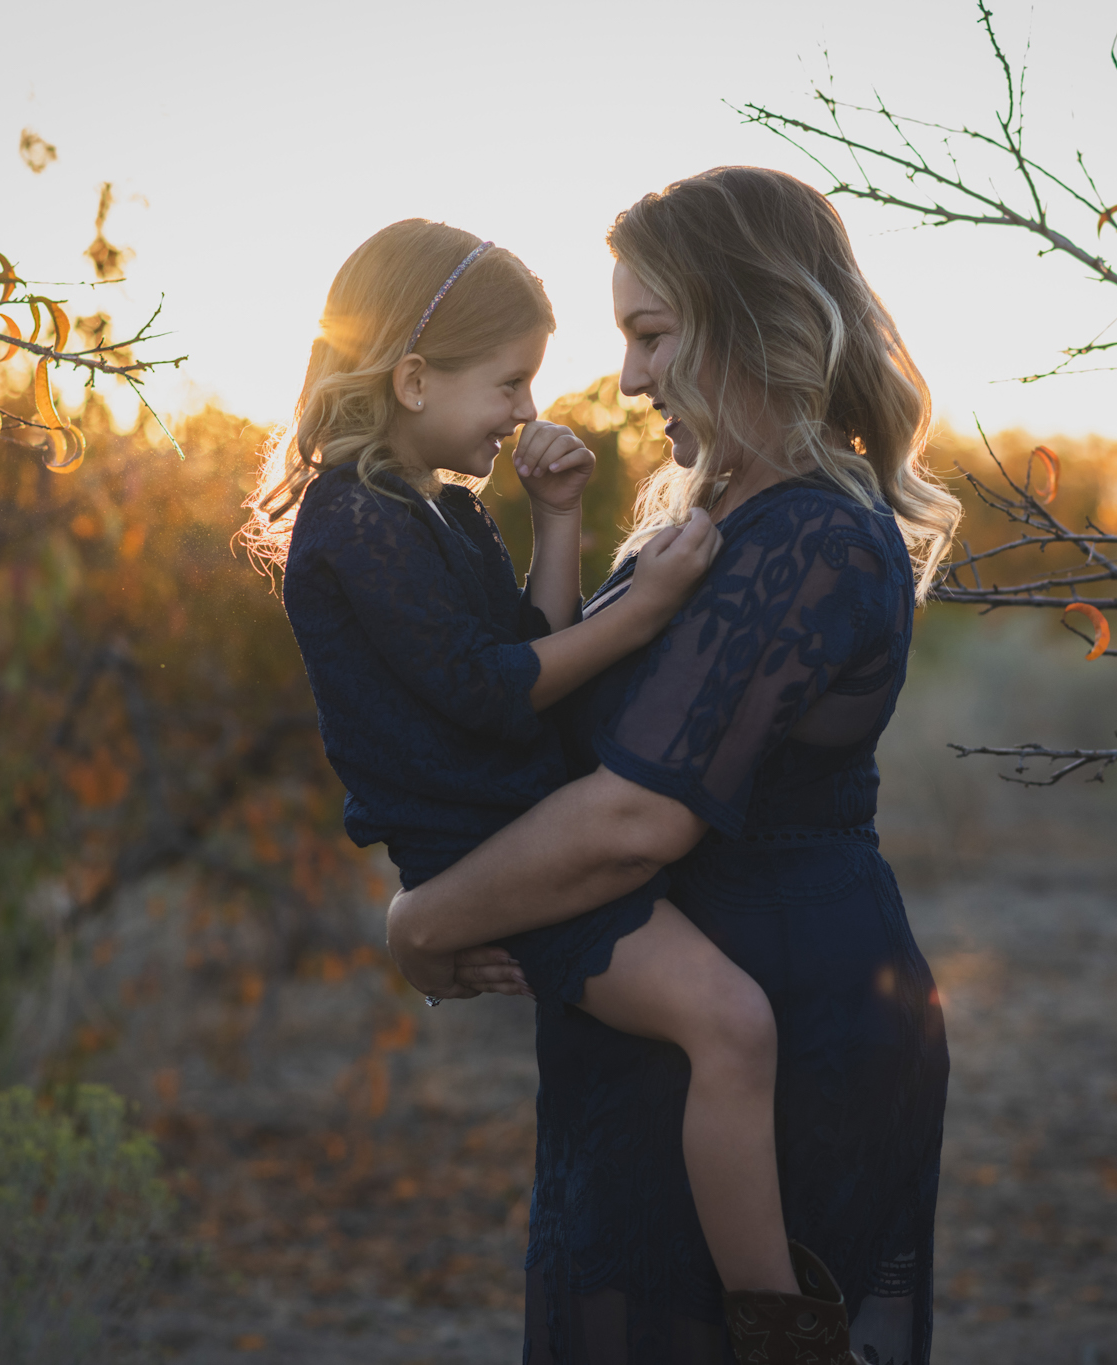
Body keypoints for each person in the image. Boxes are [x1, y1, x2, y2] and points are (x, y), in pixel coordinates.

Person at [385, 168, 963, 1365]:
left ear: (752, 317)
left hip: (785, 1029)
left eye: (651, 334)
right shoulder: (711, 517)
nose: (632, 377)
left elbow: (636, 819)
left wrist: (421, 921)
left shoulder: (807, 531)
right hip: (667, 1024)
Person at [239, 219, 807, 1330]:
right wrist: (646, 604)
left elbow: (530, 642)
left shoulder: (439, 509)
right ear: (410, 379)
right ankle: (779, 1326)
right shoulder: (352, 520)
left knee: (726, 1023)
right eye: (508, 382)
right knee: (730, 1026)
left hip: (526, 819)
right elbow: (492, 691)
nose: (523, 409)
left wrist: (555, 521)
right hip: (488, 851)